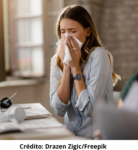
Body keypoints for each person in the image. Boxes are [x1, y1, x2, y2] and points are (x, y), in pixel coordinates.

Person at [50, 5, 121, 139]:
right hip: (71, 137)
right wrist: (66, 66)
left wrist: (76, 68)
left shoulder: (99, 56)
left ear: (87, 31)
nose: (67, 37)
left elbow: (90, 109)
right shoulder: (56, 60)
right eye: (63, 32)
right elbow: (59, 109)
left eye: (72, 31)